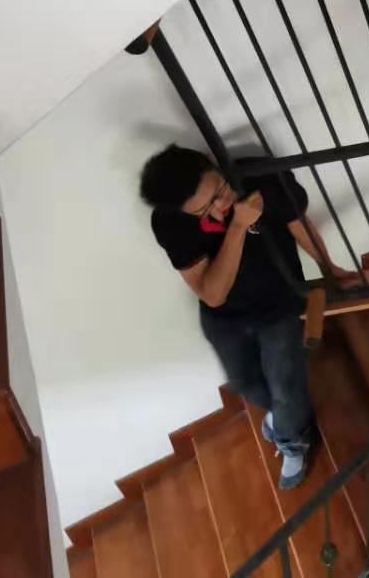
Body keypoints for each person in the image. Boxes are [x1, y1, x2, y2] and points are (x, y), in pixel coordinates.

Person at [140, 146, 322, 489]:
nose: (220, 206)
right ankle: (287, 418)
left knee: (285, 386)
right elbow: (212, 293)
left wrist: (329, 266)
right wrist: (238, 226)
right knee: (246, 384)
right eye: (205, 209)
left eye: (220, 191)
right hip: (224, 317)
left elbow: (298, 223)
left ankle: (293, 440)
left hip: (278, 304)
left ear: (213, 164)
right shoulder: (170, 223)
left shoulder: (260, 175)